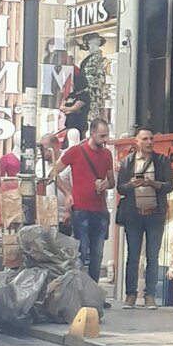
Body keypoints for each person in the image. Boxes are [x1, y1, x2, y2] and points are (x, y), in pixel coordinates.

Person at [116, 126, 173, 310]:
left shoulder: (162, 161)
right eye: (145, 139)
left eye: (151, 139)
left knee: (152, 257)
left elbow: (170, 185)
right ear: (137, 141)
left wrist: (152, 183)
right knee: (133, 257)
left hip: (154, 215)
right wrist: (131, 185)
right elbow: (120, 188)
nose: (149, 142)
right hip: (134, 216)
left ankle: (150, 295)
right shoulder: (128, 162)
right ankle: (130, 295)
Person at [55, 118, 114, 284]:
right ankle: (81, 288)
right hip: (81, 208)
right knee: (82, 251)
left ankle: (92, 288)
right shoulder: (75, 151)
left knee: (97, 253)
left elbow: (112, 181)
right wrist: (68, 193)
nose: (105, 139)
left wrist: (106, 184)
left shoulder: (107, 154)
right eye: (102, 136)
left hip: (100, 209)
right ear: (92, 133)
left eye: (106, 135)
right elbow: (54, 172)